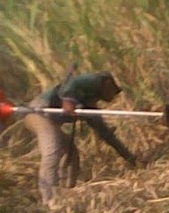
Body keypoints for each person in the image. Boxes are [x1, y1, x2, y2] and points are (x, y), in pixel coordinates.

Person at [27, 69, 139, 205]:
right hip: (39, 113)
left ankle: (67, 190)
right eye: (113, 91)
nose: (113, 96)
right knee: (53, 151)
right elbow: (73, 83)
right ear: (107, 83)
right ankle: (49, 199)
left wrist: (129, 157)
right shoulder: (96, 81)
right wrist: (68, 101)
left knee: (71, 153)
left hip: (50, 120)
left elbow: (107, 135)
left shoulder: (88, 106)